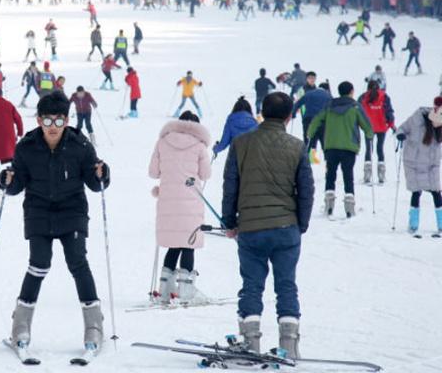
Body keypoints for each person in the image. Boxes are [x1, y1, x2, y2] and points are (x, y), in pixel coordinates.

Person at [0, 91, 110, 357]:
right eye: (47, 122)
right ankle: (20, 327)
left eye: (58, 122)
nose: (53, 128)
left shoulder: (80, 145)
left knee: (77, 262)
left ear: (67, 120)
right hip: (38, 212)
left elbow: (95, 184)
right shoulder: (26, 146)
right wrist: (8, 181)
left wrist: (102, 174)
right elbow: (17, 183)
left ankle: (94, 326)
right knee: (39, 263)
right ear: (39, 121)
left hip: (72, 211)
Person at [221, 92, 314, 359]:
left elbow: (231, 187)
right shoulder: (297, 146)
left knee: (252, 285)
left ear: (261, 112)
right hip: (287, 227)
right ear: (289, 116)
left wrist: (229, 221)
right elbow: (306, 190)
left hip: (251, 229)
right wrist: (301, 223)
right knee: (286, 285)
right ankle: (290, 344)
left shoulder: (240, 143)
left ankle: (251, 342)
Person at [148, 111, 211, 305]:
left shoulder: (162, 142)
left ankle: (165, 290)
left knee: (173, 245)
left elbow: (153, 172)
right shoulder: (200, 146)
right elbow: (206, 174)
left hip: (168, 200)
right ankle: (186, 290)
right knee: (189, 244)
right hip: (190, 200)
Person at [307, 81, 373, 218]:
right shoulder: (355, 107)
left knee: (330, 174)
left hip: (330, 146)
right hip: (349, 147)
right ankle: (349, 207)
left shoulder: (329, 106)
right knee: (348, 175)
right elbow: (367, 126)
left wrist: (310, 133)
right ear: (351, 91)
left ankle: (329, 205)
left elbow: (316, 121)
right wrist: (369, 135)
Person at [396, 97, 442, 234]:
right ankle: (413, 224)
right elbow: (402, 128)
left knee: (436, 192)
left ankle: (441, 224)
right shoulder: (417, 119)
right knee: (416, 192)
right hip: (413, 162)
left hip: (432, 163)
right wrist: (400, 135)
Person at [358, 81, 395, 184]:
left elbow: (357, 111)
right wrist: (391, 124)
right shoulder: (384, 96)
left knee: (369, 149)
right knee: (380, 148)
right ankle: (381, 174)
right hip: (382, 126)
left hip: (368, 127)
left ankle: (367, 174)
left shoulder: (363, 97)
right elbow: (389, 112)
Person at [292, 81, 332, 164]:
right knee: (324, 141)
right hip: (322, 121)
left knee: (308, 140)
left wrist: (293, 113)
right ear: (327, 89)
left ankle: (304, 160)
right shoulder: (328, 96)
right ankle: (328, 161)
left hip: (308, 119)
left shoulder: (309, 93)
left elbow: (298, 103)